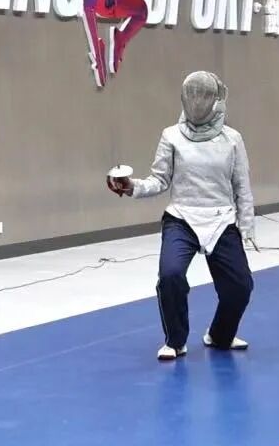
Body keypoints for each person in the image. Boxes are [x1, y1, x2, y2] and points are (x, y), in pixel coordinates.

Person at [107, 72, 255, 361]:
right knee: (170, 276)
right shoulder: (171, 136)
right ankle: (175, 341)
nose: (198, 101)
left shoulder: (232, 139)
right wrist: (131, 186)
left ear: (216, 100)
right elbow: (160, 180)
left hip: (221, 219)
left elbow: (242, 185)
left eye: (204, 95)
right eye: (193, 95)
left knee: (240, 286)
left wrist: (246, 225)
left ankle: (220, 334)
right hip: (181, 218)